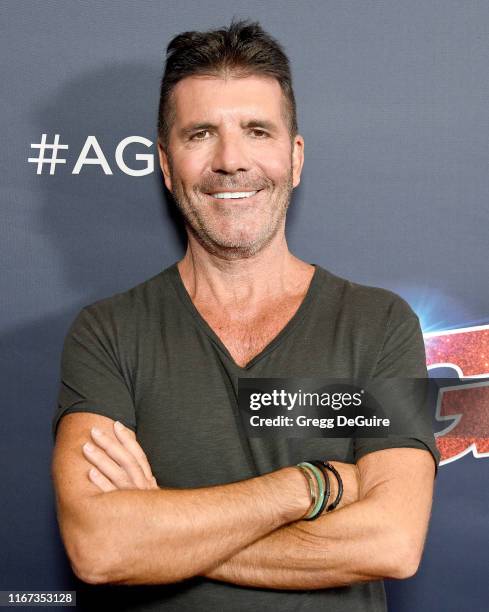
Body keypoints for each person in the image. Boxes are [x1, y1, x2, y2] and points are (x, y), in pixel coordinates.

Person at [51, 19, 440, 612]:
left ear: (295, 156)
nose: (231, 160)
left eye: (257, 131)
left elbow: (392, 540)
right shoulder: (108, 333)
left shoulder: (379, 323)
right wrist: (310, 486)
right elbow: (101, 547)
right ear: (164, 162)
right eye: (200, 133)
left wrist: (161, 534)